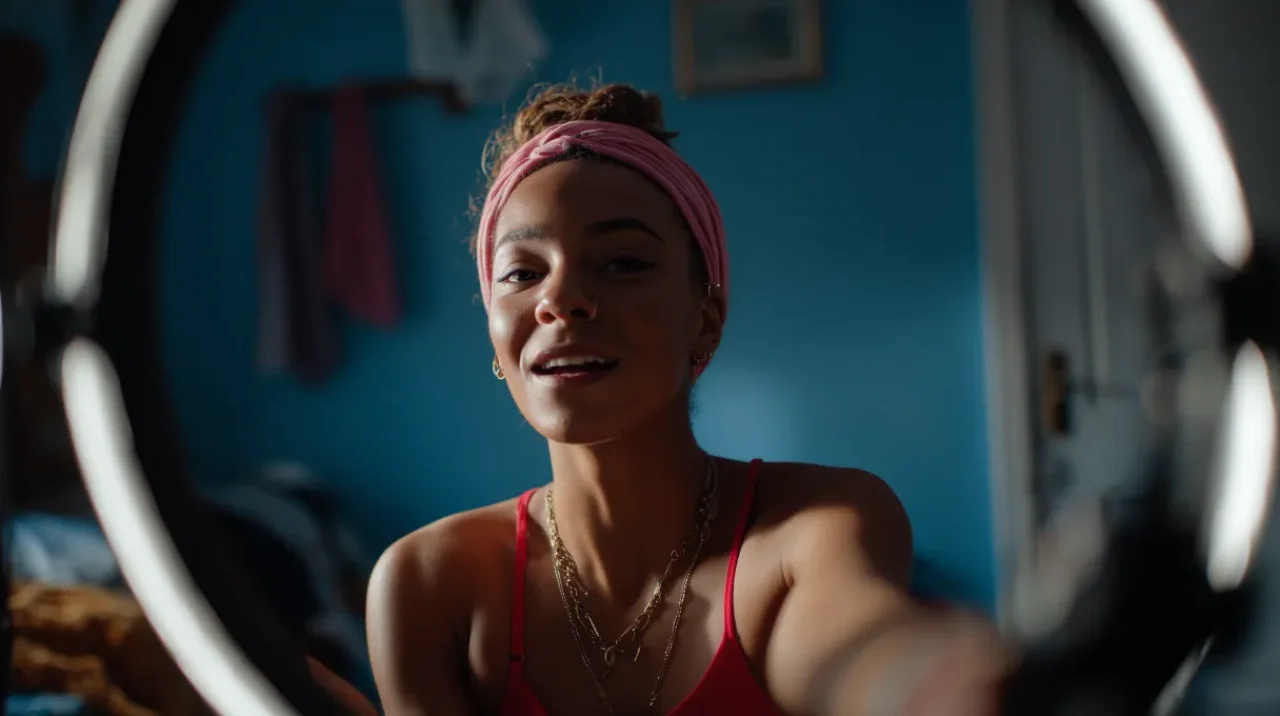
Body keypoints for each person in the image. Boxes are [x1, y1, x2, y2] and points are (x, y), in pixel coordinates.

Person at [365, 82, 1010, 716]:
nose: (558, 301)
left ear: (705, 318)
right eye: (522, 273)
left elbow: (855, 653)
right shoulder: (429, 586)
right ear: (496, 334)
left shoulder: (817, 527)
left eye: (621, 262)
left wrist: (943, 683)